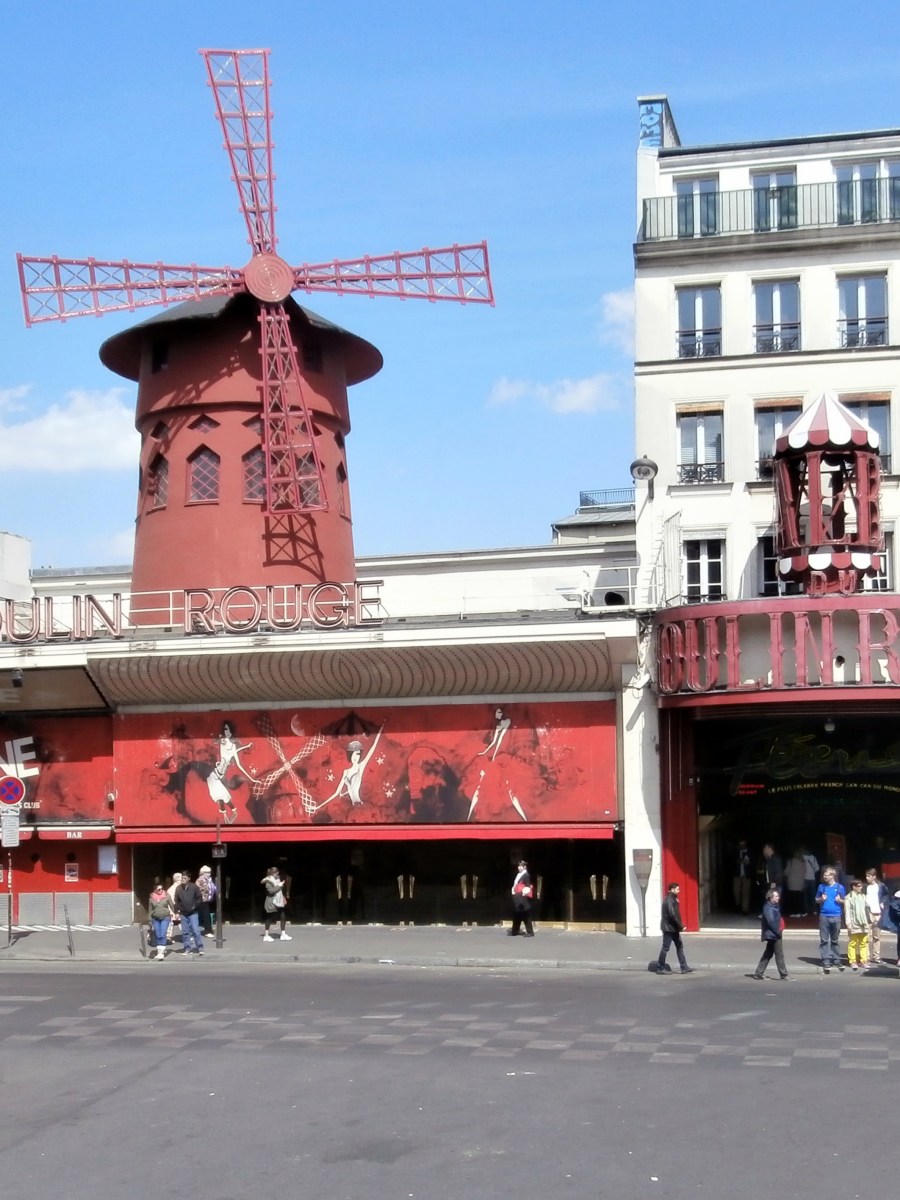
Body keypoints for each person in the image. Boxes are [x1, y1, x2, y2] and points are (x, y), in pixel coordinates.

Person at [752, 885, 789, 980]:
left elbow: (780, 889)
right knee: (779, 954)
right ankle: (783, 974)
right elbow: (772, 922)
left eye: (778, 896)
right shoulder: (768, 908)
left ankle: (759, 973)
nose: (778, 898)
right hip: (774, 934)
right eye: (776, 896)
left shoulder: (773, 906)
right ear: (770, 897)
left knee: (768, 954)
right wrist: (778, 932)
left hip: (773, 934)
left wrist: (775, 886)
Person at [656, 882, 693, 974]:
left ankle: (684, 967)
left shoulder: (673, 899)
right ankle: (660, 967)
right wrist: (681, 925)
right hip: (669, 928)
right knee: (665, 948)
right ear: (672, 890)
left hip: (673, 928)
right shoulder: (669, 900)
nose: (679, 891)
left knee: (679, 946)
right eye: (677, 889)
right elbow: (672, 915)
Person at [815, 865, 846, 973]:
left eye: (826, 875)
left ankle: (837, 960)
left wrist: (840, 900)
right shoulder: (821, 887)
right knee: (824, 940)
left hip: (836, 916)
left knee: (835, 940)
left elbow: (845, 901)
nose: (824, 877)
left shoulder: (840, 887)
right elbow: (816, 900)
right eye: (824, 875)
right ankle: (826, 960)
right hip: (824, 916)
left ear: (832, 876)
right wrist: (821, 899)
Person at [174, 870, 205, 956]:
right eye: (182, 878)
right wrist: (176, 911)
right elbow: (176, 901)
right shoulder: (178, 889)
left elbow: (199, 898)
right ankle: (187, 948)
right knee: (185, 932)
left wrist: (194, 906)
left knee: (196, 930)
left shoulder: (194, 887)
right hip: (183, 913)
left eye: (185, 878)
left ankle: (200, 948)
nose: (182, 879)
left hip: (193, 912)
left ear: (189, 879)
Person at [844, 878, 870, 972]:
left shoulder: (863, 896)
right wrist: (848, 924)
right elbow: (847, 912)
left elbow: (867, 909)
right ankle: (852, 961)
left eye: (861, 886)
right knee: (853, 943)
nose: (861, 887)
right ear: (853, 887)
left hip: (863, 923)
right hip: (854, 923)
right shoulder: (848, 897)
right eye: (859, 886)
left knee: (864, 942)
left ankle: (863, 960)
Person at [261, 865, 292, 941]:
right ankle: (266, 935)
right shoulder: (268, 881)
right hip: (271, 901)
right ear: (272, 873)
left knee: (283, 916)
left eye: (277, 874)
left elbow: (278, 889)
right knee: (269, 917)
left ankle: (283, 934)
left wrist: (280, 885)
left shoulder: (277, 879)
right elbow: (271, 891)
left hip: (279, 900)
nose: (277, 875)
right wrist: (279, 886)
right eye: (276, 874)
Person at [864, 868, 888, 965]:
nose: (867, 878)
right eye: (866, 876)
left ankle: (876, 956)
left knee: (876, 936)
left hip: (878, 912)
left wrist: (883, 903)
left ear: (874, 876)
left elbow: (886, 895)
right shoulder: (865, 886)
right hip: (868, 912)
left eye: (869, 876)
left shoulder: (881, 886)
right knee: (866, 936)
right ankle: (866, 957)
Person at [508, 859, 535, 937]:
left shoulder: (526, 875)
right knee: (517, 914)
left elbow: (528, 886)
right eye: (519, 866)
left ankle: (530, 932)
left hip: (522, 897)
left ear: (525, 867)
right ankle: (515, 930)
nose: (519, 867)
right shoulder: (519, 874)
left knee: (525, 914)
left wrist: (523, 892)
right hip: (517, 896)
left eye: (521, 866)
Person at [148, 882, 174, 960]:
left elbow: (172, 905)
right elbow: (150, 910)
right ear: (155, 890)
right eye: (159, 889)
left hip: (165, 917)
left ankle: (161, 953)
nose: (161, 890)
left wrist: (175, 913)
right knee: (158, 935)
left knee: (163, 934)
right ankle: (159, 952)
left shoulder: (166, 896)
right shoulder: (151, 898)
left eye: (162, 889)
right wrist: (149, 920)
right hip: (155, 918)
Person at [784, 850, 806, 917]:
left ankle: (795, 912)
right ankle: (802, 912)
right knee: (800, 898)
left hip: (792, 882)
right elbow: (805, 871)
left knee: (793, 898)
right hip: (800, 882)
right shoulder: (803, 862)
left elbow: (786, 872)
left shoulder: (791, 861)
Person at [733, 840, 752, 915]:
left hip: (746, 875)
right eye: (740, 845)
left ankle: (745, 909)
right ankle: (737, 905)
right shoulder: (735, 853)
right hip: (737, 875)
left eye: (743, 845)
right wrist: (738, 861)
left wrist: (748, 863)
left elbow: (753, 863)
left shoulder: (750, 853)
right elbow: (731, 862)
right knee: (736, 891)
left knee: (746, 892)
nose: (742, 846)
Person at [196, 865, 216, 937]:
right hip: (202, 900)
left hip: (207, 900)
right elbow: (198, 890)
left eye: (209, 872)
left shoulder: (209, 880)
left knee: (207, 915)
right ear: (203, 873)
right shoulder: (200, 880)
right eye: (207, 872)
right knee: (205, 915)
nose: (209, 874)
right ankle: (207, 931)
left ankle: (208, 929)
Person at [801, 848, 820, 916]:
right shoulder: (813, 858)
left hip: (804, 879)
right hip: (812, 878)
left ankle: (806, 911)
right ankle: (814, 910)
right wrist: (812, 872)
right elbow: (817, 868)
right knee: (813, 895)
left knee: (805, 896)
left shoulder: (802, 858)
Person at [165, 872, 182, 943]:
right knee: (182, 922)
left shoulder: (170, 888)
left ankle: (168, 937)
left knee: (170, 923)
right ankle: (187, 935)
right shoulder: (179, 888)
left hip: (171, 908)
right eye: (181, 878)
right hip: (176, 908)